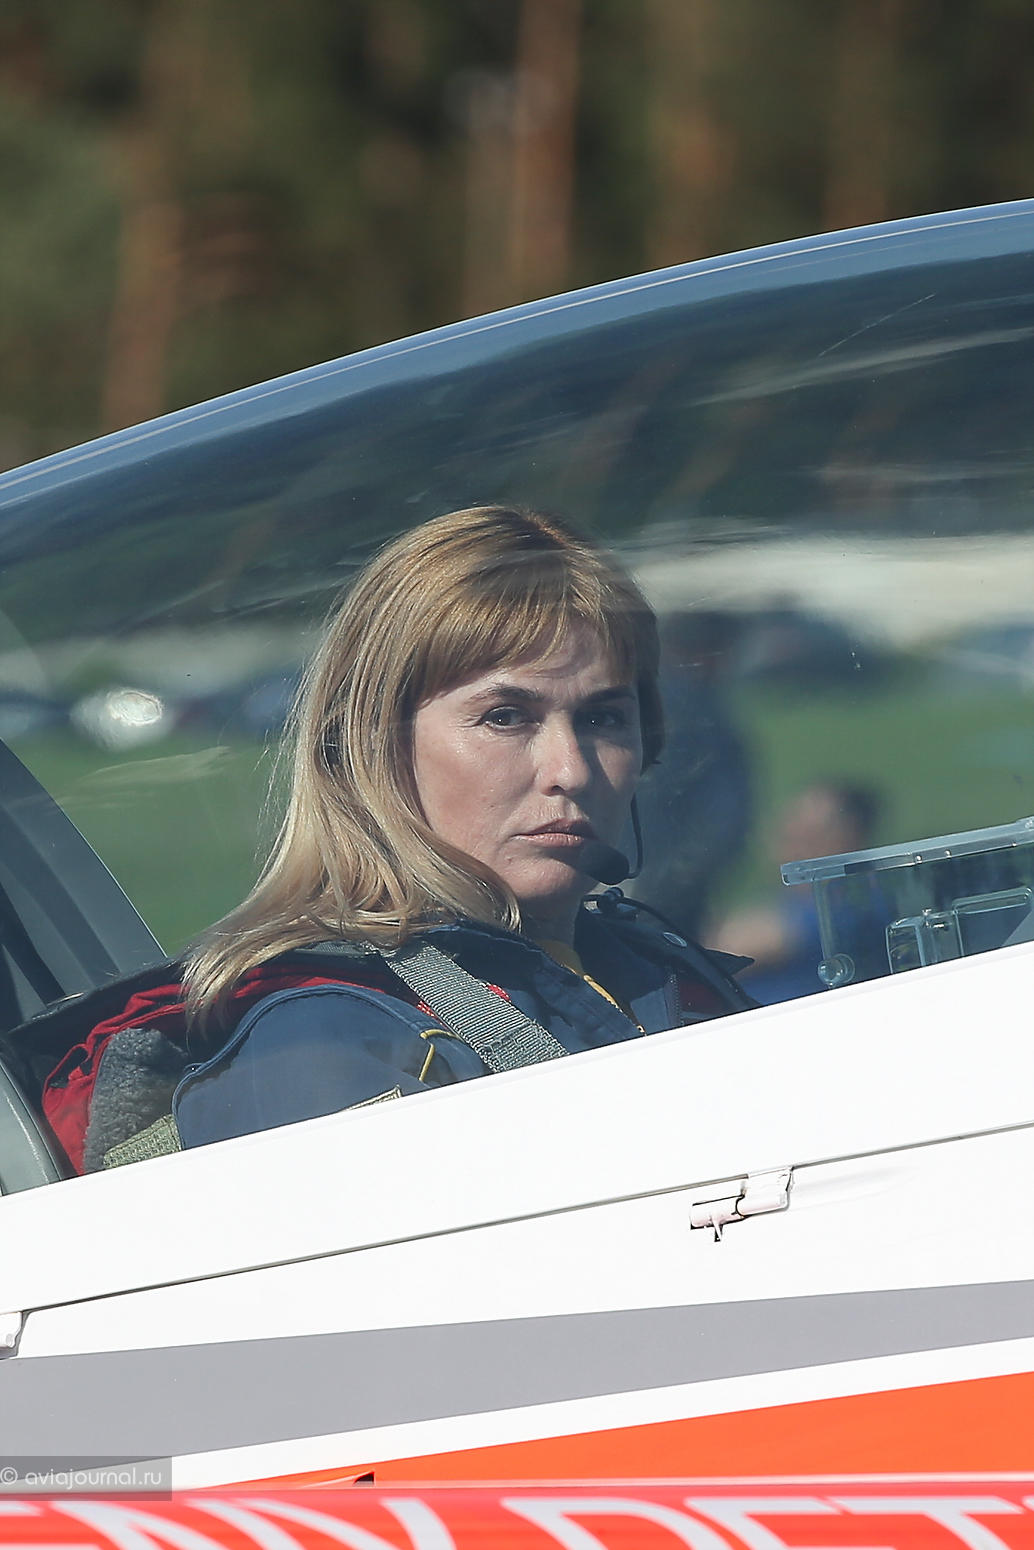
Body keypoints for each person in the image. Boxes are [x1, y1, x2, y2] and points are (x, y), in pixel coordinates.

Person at [43, 506, 754, 1170]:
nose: (570, 770)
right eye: (506, 716)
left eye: (602, 718)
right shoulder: (325, 1040)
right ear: (371, 746)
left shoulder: (653, 967)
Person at [713, 779, 882, 1004]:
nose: (792, 845)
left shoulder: (851, 906)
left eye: (809, 835)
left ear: (849, 838)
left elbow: (729, 949)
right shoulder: (789, 903)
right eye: (788, 831)